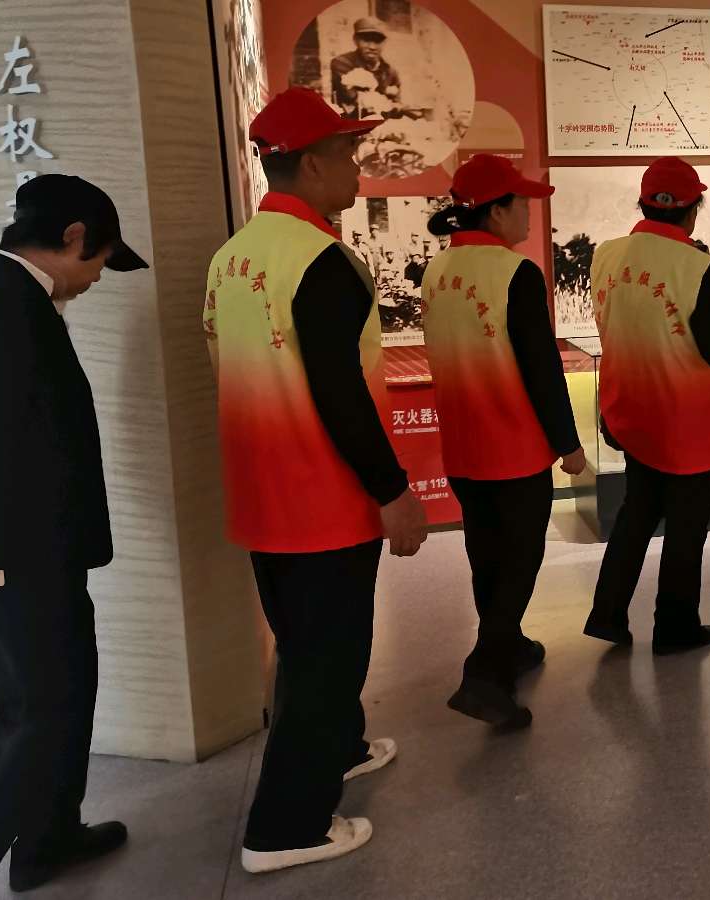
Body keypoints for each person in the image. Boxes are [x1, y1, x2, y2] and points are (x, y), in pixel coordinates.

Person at [205, 87, 429, 874]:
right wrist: (392, 490)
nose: (358, 169)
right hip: (321, 497)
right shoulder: (321, 261)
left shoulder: (232, 258)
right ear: (309, 164)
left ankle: (343, 747)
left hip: (261, 492)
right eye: (348, 155)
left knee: (304, 643)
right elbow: (340, 394)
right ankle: (285, 828)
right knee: (324, 659)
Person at [0, 176, 148, 900]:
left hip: (43, 554)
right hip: (6, 561)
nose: (96, 278)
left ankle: (49, 836)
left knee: (67, 696)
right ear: (75, 236)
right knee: (34, 716)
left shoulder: (17, 299)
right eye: (100, 259)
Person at [421, 155, 585, 729]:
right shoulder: (515, 273)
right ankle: (484, 677)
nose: (530, 214)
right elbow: (542, 369)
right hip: (513, 448)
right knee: (519, 560)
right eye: (523, 204)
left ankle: (508, 644)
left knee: (486, 555)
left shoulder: (437, 270)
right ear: (496, 211)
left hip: (462, 446)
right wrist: (568, 444)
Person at [582, 158, 710, 654]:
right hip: (685, 419)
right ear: (692, 209)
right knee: (686, 525)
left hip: (629, 408)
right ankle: (675, 627)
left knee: (637, 511)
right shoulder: (696, 266)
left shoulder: (606, 255)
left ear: (644, 203)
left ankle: (607, 613)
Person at [330, 17, 402, 116]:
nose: (372, 47)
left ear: (384, 43)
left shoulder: (390, 71)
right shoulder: (342, 63)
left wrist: (399, 107)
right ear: (355, 40)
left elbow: (396, 106)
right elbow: (352, 97)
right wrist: (390, 103)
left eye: (377, 41)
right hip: (349, 123)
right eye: (366, 40)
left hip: (382, 124)